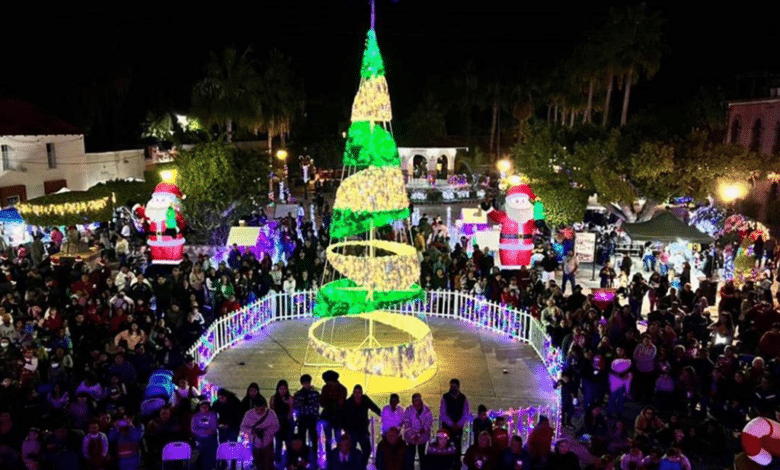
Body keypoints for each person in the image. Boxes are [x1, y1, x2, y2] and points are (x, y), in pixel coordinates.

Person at [342, 384, 381, 470]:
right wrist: (345, 429)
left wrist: (383, 415)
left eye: (359, 392)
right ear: (353, 393)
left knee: (367, 449)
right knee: (351, 450)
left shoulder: (365, 399)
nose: (357, 395)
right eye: (355, 392)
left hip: (362, 430)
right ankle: (352, 467)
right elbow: (343, 416)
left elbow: (374, 408)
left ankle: (362, 466)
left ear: (362, 393)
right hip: (351, 430)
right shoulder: (349, 402)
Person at [240, 396, 280, 470]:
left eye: (261, 409)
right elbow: (243, 427)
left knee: (268, 462)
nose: (259, 411)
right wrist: (251, 431)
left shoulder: (271, 413)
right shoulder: (249, 414)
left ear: (265, 406)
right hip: (254, 441)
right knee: (258, 463)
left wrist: (266, 432)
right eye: (256, 409)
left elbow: (276, 426)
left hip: (268, 441)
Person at [440, 378, 471, 453]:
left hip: (458, 428)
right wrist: (452, 424)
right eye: (451, 386)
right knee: (446, 446)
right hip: (447, 427)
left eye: (454, 386)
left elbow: (465, 413)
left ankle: (457, 463)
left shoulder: (463, 398)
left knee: (457, 446)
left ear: (458, 386)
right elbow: (442, 413)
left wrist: (458, 424)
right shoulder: (445, 397)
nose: (453, 388)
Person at [403, 393, 433, 470]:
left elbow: (429, 421)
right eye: (414, 401)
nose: (416, 403)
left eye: (417, 400)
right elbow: (406, 424)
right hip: (411, 438)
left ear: (420, 400)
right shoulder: (408, 409)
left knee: (422, 456)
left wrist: (424, 430)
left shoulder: (426, 409)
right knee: (410, 457)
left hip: (423, 436)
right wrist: (413, 436)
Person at [321, 370, 347, 450]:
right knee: (331, 438)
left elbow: (323, 403)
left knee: (336, 438)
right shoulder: (327, 388)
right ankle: (333, 457)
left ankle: (337, 456)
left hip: (336, 417)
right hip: (331, 417)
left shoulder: (340, 389)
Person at [294, 374, 321, 451]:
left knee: (313, 437)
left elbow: (316, 406)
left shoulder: (314, 393)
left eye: (308, 383)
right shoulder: (298, 394)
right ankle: (303, 453)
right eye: (305, 383)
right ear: (302, 384)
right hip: (302, 418)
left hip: (312, 418)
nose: (307, 385)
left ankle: (314, 453)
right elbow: (296, 406)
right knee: (301, 437)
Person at [270, 379, 295, 463]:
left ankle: (290, 462)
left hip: (288, 422)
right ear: (277, 389)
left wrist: (286, 421)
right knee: (278, 443)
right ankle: (278, 461)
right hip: (277, 421)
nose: (282, 391)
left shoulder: (290, 398)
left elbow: (290, 412)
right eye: (281, 389)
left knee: (289, 443)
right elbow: (272, 411)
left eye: (284, 389)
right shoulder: (273, 398)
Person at [191, 401, 218, 470]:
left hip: (211, 438)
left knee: (210, 455)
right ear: (199, 408)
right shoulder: (195, 416)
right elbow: (193, 429)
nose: (205, 408)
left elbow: (214, 427)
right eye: (203, 407)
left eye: (206, 407)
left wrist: (204, 431)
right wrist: (203, 431)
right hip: (199, 438)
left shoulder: (212, 415)